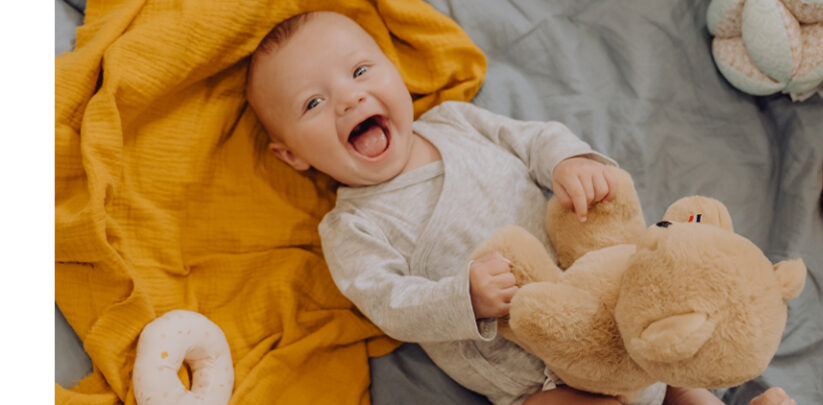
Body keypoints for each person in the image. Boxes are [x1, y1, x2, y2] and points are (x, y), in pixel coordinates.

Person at [245, 10, 795, 405]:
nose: (349, 97)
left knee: (672, 371)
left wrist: (568, 164)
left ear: (393, 71)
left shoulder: (456, 122)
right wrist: (465, 297)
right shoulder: (351, 225)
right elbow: (389, 302)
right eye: (314, 103)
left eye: (361, 71)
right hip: (533, 374)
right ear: (291, 154)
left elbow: (533, 140)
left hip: (611, 304)